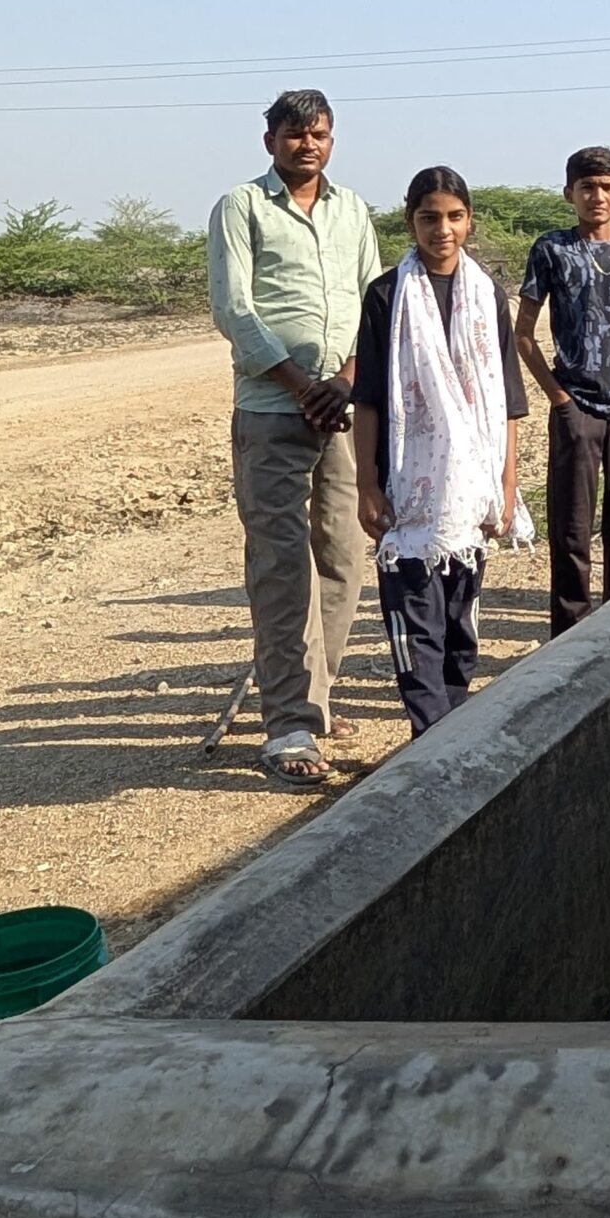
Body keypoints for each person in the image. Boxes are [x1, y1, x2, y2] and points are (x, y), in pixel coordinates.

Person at [207, 88, 380, 785]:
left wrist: (346, 379)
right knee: (282, 565)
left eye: (320, 135)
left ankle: (317, 696)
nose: (308, 145)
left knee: (343, 554)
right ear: (270, 141)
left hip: (341, 409)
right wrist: (300, 384)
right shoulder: (241, 206)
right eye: (295, 134)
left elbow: (372, 302)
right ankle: (288, 725)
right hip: (272, 408)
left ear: (331, 140)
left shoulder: (353, 210)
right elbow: (234, 307)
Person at [351, 167, 526, 736]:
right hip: (407, 487)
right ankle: (430, 738)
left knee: (460, 627)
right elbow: (369, 399)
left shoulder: (487, 295)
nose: (442, 230)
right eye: (429, 218)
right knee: (415, 625)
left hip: (472, 487)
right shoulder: (387, 296)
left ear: (469, 221)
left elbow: (506, 401)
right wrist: (367, 485)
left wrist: (506, 486)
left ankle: (450, 734)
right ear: (410, 222)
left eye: (454, 217)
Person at [516, 146, 610, 636]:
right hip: (577, 405)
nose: (597, 196)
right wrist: (559, 399)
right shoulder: (552, 249)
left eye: (607, 187)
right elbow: (523, 335)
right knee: (572, 528)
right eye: (587, 187)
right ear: (570, 193)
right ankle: (571, 636)